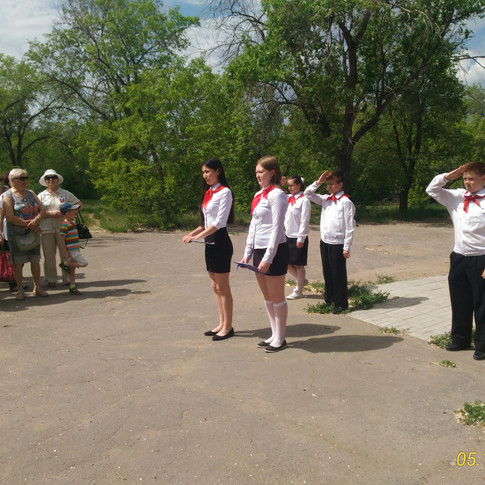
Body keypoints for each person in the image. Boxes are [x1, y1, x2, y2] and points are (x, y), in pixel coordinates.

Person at [426, 161, 485, 361]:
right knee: (459, 300)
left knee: (482, 304)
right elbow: (432, 189)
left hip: (481, 258)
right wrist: (451, 175)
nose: (467, 182)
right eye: (465, 178)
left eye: (471, 179)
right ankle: (460, 339)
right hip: (459, 257)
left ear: (483, 178)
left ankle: (482, 345)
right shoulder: (457, 197)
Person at [240, 155, 289, 352]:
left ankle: (281, 338)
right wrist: (247, 252)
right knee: (267, 296)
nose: (257, 175)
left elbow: (277, 228)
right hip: (259, 249)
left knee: (277, 296)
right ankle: (273, 334)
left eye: (261, 172)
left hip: (274, 250)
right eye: (256, 172)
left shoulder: (277, 195)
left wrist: (269, 257)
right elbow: (254, 225)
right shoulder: (259, 195)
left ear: (272, 172)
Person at [182, 159, 235, 341]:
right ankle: (221, 323)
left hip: (220, 242)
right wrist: (192, 234)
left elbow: (219, 222)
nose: (204, 175)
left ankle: (228, 326)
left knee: (223, 287)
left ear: (217, 171)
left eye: (207, 171)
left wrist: (197, 237)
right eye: (203, 172)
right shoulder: (208, 192)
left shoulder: (225, 192)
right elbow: (204, 222)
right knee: (215, 287)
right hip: (209, 242)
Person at [304, 169, 356, 314]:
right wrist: (318, 182)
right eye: (328, 184)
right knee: (327, 272)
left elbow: (350, 227)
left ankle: (341, 303)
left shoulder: (346, 203)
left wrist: (347, 247)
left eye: (332, 184)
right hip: (325, 241)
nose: (329, 187)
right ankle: (330, 299)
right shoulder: (325, 199)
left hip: (338, 243)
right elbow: (307, 194)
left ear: (340, 184)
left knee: (338, 274)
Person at [2, 168, 47, 300]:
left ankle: (37, 287)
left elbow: (42, 210)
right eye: (22, 178)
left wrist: (36, 221)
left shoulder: (31, 193)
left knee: (35, 260)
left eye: (26, 178)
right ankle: (20, 290)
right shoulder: (7, 196)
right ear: (13, 180)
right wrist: (30, 224)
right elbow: (10, 216)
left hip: (33, 232)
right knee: (17, 262)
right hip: (16, 234)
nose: (25, 180)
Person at [37, 169, 82, 287]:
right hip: (46, 228)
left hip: (64, 228)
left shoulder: (65, 194)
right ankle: (51, 279)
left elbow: (79, 205)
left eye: (53, 177)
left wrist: (67, 213)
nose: (51, 180)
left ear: (58, 179)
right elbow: (36, 211)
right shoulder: (41, 196)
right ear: (45, 180)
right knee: (49, 255)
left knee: (65, 254)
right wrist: (49, 213)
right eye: (48, 178)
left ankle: (67, 279)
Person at [285, 175, 311, 300]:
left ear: (299, 185)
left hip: (298, 236)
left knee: (299, 265)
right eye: (288, 186)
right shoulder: (289, 199)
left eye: (292, 185)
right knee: (287, 264)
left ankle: (298, 290)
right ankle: (302, 280)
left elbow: (304, 220)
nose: (289, 188)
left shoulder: (304, 201)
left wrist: (301, 238)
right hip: (287, 235)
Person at [59, 202, 88, 295]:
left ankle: (72, 287)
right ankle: (65, 264)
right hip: (71, 250)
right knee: (84, 263)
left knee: (72, 270)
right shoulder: (65, 224)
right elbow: (62, 239)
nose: (75, 215)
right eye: (74, 213)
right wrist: (64, 252)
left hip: (75, 249)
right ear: (67, 214)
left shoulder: (73, 223)